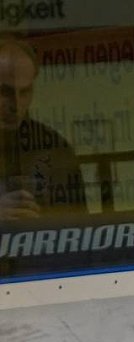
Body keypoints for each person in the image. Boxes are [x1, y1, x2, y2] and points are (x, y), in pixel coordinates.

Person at [1, 37, 85, 222]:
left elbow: (77, 226)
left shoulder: (54, 149)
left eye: (25, 92)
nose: (16, 104)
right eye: (4, 92)